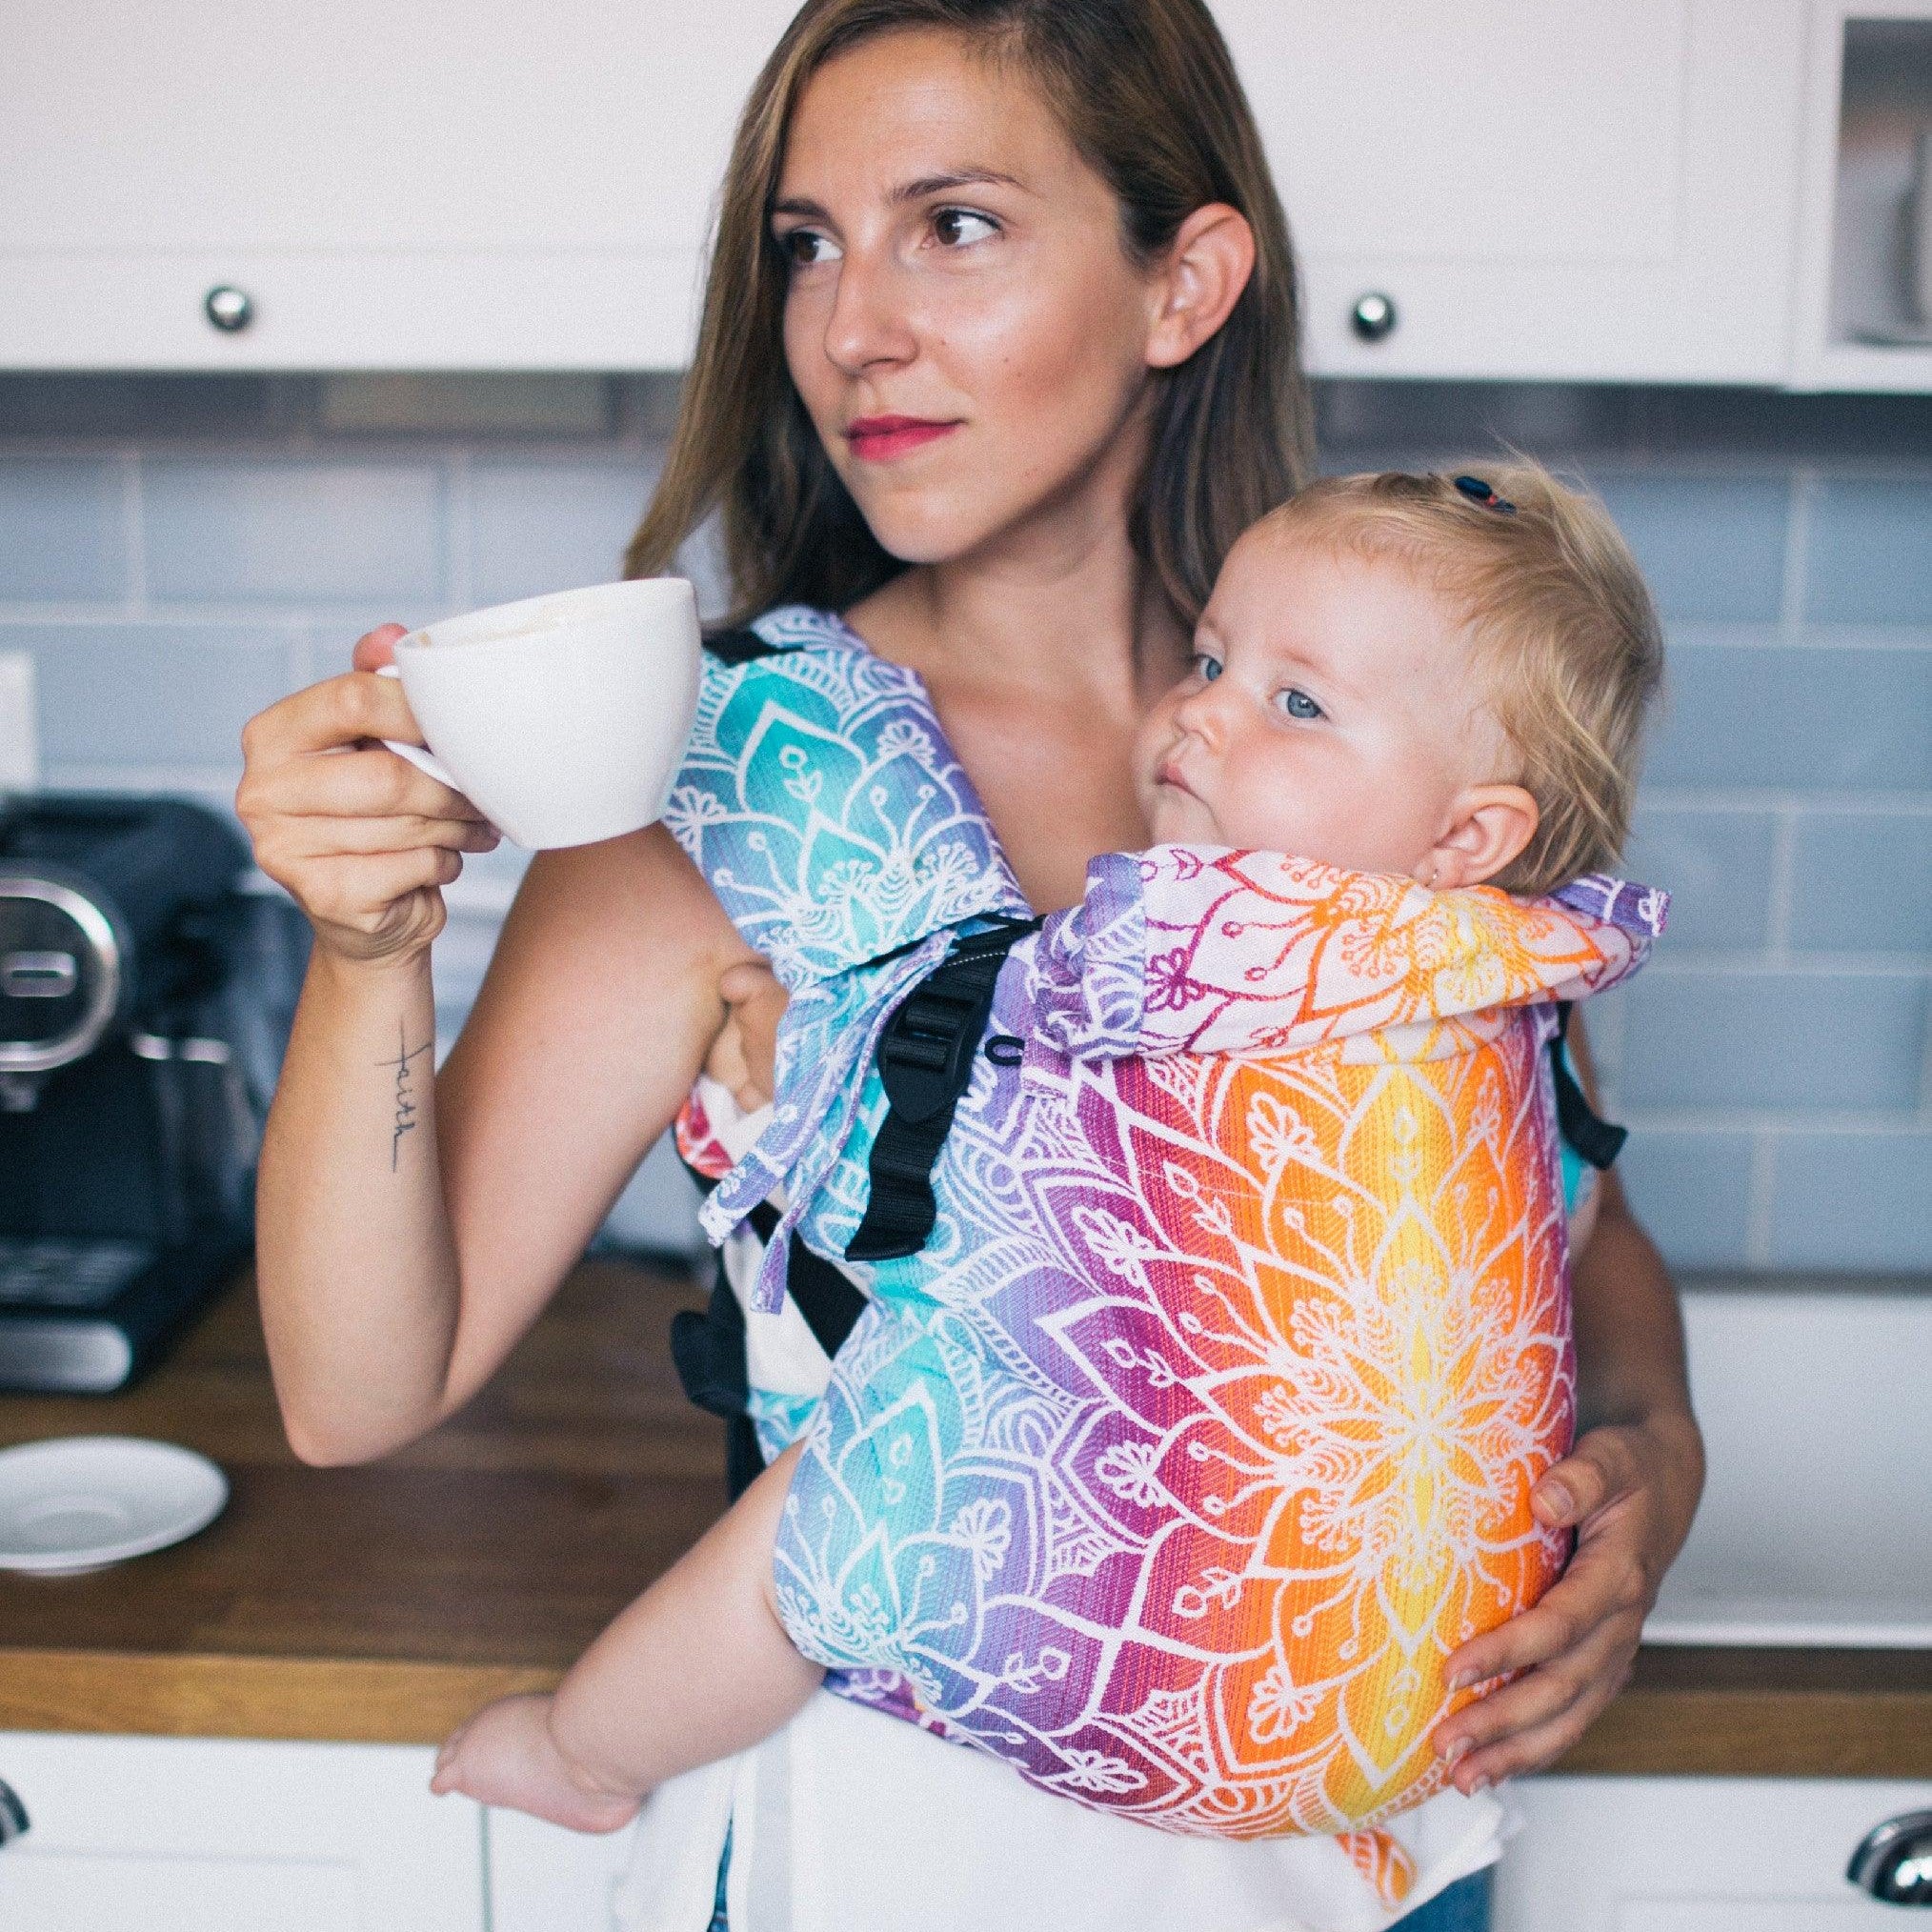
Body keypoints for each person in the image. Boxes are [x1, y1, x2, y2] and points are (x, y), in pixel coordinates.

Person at [234, 4, 1704, 1926]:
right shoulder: (732, 779)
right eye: (807, 243)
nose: (854, 330)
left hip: (1371, 1860)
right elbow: (363, 1391)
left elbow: (1573, 1233)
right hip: (906, 1862)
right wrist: (367, 955)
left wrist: (1653, 1477)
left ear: (1186, 280)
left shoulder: (1396, 749)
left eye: (958, 225)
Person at [427, 466, 1667, 1927]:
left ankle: (582, 1749)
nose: (1201, 711)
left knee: (818, 1533)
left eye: (1297, 704)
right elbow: (1559, 1229)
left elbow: (999, 1053)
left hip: (1157, 1731)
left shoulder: (1165, 929)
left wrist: (1662, 1460)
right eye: (1211, 662)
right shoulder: (1520, 979)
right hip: (1377, 1784)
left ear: (1472, 837)